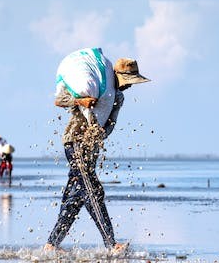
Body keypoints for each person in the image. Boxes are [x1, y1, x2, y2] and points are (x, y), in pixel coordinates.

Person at [44, 48, 150, 252]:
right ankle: (111, 244)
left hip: (91, 149)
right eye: (128, 81)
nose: (129, 86)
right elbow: (59, 101)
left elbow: (109, 124)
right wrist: (79, 101)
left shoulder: (117, 97)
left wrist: (98, 137)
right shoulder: (94, 87)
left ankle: (51, 245)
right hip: (75, 143)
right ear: (118, 76)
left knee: (75, 198)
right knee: (94, 191)